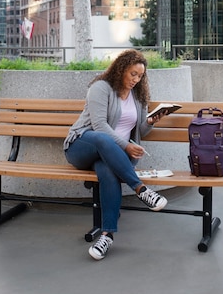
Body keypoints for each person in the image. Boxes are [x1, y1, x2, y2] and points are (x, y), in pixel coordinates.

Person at [63, 49, 169, 261]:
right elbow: (99, 126)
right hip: (83, 146)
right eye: (132, 74)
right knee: (103, 139)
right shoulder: (101, 88)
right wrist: (126, 147)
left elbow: (139, 131)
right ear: (121, 69)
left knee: (106, 170)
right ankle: (141, 189)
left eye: (140, 76)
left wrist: (150, 121)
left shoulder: (138, 97)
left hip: (112, 156)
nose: (136, 80)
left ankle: (106, 235)